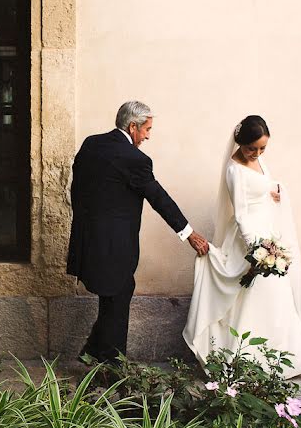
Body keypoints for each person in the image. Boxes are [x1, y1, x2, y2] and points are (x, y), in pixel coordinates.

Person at [67, 101, 209, 365]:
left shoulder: (91, 144)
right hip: (115, 246)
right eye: (146, 130)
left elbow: (77, 190)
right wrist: (188, 233)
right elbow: (159, 198)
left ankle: (91, 351)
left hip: (88, 240)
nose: (147, 136)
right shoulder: (135, 160)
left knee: (114, 296)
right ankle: (112, 367)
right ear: (132, 126)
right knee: (118, 298)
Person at [182, 115, 301, 378]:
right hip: (251, 241)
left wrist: (274, 192)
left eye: (262, 149)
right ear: (240, 142)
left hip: (269, 235)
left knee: (278, 294)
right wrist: (256, 250)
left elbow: (262, 187)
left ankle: (298, 357)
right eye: (252, 149)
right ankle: (243, 359)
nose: (257, 154)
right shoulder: (234, 169)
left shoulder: (258, 161)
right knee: (255, 297)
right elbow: (241, 214)